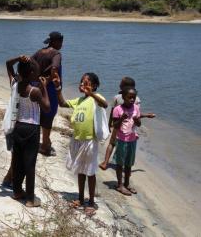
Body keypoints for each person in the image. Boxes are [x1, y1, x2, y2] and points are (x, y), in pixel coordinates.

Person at [52, 72, 108, 216]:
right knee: (81, 171)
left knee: (90, 171)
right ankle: (81, 198)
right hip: (77, 139)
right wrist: (58, 87)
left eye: (86, 83)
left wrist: (92, 94)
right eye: (81, 82)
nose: (83, 85)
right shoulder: (79, 100)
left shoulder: (96, 99)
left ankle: (91, 203)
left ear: (94, 86)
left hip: (90, 140)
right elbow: (62, 103)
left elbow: (105, 104)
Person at [7, 56, 50, 207]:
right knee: (30, 164)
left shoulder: (15, 85)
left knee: (18, 161)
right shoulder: (35, 91)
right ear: (32, 73)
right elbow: (46, 107)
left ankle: (17, 191)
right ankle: (30, 199)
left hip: (17, 127)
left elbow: (8, 64)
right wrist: (44, 87)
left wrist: (19, 58)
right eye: (36, 72)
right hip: (31, 128)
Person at [99, 77, 155, 170]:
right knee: (126, 144)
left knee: (112, 143)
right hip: (129, 127)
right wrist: (146, 115)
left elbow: (113, 113)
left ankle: (105, 162)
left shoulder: (117, 97)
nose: (119, 85)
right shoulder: (136, 98)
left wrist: (109, 124)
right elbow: (136, 114)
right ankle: (124, 164)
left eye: (121, 84)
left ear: (125, 86)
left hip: (118, 125)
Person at [32, 31, 64, 156]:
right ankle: (45, 145)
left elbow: (30, 62)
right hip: (49, 89)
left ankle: (39, 141)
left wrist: (36, 78)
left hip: (37, 87)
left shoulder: (39, 52)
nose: (62, 44)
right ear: (55, 42)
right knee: (48, 115)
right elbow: (55, 68)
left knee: (37, 114)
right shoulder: (56, 54)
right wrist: (48, 81)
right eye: (61, 41)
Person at [112, 87, 141, 196]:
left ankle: (127, 184)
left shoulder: (136, 108)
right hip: (121, 140)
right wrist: (121, 118)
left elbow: (139, 124)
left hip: (132, 140)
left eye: (134, 97)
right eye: (130, 97)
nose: (132, 100)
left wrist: (137, 120)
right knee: (120, 163)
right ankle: (120, 185)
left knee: (129, 164)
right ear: (123, 97)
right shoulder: (118, 109)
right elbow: (114, 125)